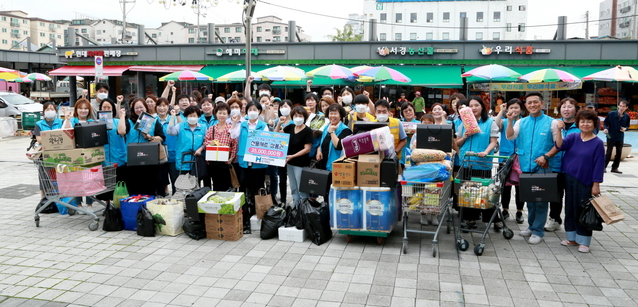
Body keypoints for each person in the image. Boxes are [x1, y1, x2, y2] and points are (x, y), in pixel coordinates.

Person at [546, 110, 605, 253]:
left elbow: (599, 165)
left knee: (582, 209)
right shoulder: (573, 137)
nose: (585, 124)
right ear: (578, 123)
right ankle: (571, 238)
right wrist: (559, 131)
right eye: (582, 121)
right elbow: (559, 146)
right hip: (569, 178)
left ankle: (584, 241)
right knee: (570, 208)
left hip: (585, 181)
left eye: (589, 121)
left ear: (594, 124)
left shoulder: (597, 143)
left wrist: (596, 184)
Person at [506, 91, 556, 245]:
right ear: (525, 106)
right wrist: (509, 120)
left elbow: (558, 145)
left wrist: (546, 156)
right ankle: (531, 226)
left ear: (542, 104)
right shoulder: (521, 122)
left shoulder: (551, 122)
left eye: (535, 102)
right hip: (524, 166)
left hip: (542, 166)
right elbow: (510, 136)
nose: (532, 105)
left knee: (541, 200)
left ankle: (538, 231)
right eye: (529, 103)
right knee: (530, 199)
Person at [455, 96, 501, 231]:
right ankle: (470, 219)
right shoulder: (462, 123)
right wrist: (464, 136)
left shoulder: (490, 123)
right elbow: (457, 143)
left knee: (484, 193)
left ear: (482, 107)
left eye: (476, 105)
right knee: (467, 192)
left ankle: (493, 219)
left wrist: (486, 152)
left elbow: (493, 141)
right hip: (466, 162)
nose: (473, 108)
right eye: (471, 106)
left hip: (482, 162)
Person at [545, 98, 581, 232]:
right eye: (563, 107)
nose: (566, 109)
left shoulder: (580, 126)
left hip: (573, 168)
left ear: (576, 110)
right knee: (555, 196)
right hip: (555, 165)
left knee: (572, 197)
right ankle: (554, 219)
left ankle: (573, 222)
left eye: (570, 107)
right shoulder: (554, 124)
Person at [117, 98, 166, 196]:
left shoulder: (153, 121)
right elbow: (121, 132)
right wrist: (122, 116)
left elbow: (161, 137)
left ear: (146, 107)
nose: (139, 110)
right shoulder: (129, 121)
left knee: (149, 188)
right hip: (133, 160)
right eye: (136, 108)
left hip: (149, 160)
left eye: (141, 107)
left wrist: (150, 137)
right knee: (133, 188)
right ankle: (135, 208)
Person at [235, 101, 269, 233]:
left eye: (255, 109)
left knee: (257, 189)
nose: (252, 111)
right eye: (250, 109)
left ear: (260, 111)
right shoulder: (242, 125)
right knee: (243, 188)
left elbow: (267, 142)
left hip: (258, 164)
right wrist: (234, 122)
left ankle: (257, 215)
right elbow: (233, 135)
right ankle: (245, 217)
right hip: (244, 162)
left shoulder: (263, 126)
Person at [494, 98, 526, 223]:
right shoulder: (503, 121)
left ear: (521, 110)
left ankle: (519, 211)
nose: (514, 110)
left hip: (520, 158)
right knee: (505, 186)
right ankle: (505, 209)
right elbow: (496, 125)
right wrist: (501, 112)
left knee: (520, 187)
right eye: (511, 107)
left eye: (516, 108)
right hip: (505, 157)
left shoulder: (524, 122)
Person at [62, 99, 96, 212]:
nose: (83, 110)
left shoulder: (91, 121)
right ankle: (79, 205)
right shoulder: (72, 120)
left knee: (89, 179)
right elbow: (66, 131)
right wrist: (67, 118)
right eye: (80, 108)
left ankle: (90, 204)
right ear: (76, 109)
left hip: (89, 154)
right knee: (76, 179)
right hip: (75, 154)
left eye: (85, 108)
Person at [276, 106, 313, 206]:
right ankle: (296, 209)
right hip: (290, 163)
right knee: (293, 188)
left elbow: (307, 149)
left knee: (302, 189)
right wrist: (279, 123)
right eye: (295, 115)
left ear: (304, 117)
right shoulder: (291, 127)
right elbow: (277, 136)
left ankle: (304, 210)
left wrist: (293, 156)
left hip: (301, 164)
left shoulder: (308, 131)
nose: (298, 117)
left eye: (300, 115)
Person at [204, 102, 239, 192]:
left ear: (228, 115)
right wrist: (210, 143)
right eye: (220, 113)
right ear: (215, 113)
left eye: (224, 113)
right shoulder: (212, 128)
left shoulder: (230, 128)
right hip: (213, 161)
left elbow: (234, 143)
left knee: (226, 185)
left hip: (225, 161)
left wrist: (232, 157)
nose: (222, 115)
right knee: (215, 184)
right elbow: (205, 142)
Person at [33, 102, 64, 197]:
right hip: (44, 153)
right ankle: (43, 196)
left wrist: (49, 139)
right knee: (43, 175)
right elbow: (39, 139)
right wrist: (54, 139)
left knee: (59, 174)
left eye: (52, 109)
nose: (50, 111)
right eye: (47, 109)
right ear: (43, 112)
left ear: (55, 111)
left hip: (59, 152)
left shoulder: (60, 122)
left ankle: (60, 193)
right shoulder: (39, 124)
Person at [316, 104, 352, 171]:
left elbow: (338, 146)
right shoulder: (326, 127)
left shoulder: (345, 130)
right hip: (323, 164)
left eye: (335, 114)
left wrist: (332, 132)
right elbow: (322, 142)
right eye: (331, 113)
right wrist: (319, 151)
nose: (332, 116)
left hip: (336, 166)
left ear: (340, 116)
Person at [156, 97, 179, 196]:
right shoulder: (153, 120)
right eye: (160, 106)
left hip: (172, 155)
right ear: (156, 107)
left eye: (164, 106)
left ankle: (176, 200)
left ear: (168, 107)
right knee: (160, 180)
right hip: (158, 156)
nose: (162, 108)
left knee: (175, 180)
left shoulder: (173, 119)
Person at [272, 100, 294, 205]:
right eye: (282, 106)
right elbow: (274, 135)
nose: (283, 108)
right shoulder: (278, 120)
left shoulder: (294, 121)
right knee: (282, 178)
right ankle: (283, 199)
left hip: (292, 153)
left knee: (293, 178)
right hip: (280, 153)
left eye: (286, 106)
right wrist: (279, 124)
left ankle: (296, 199)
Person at [603, 100, 630, 174]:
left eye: (623, 106)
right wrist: (605, 128)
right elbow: (605, 123)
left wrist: (625, 129)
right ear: (618, 106)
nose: (621, 108)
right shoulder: (611, 114)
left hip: (620, 137)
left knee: (619, 153)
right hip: (611, 136)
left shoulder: (627, 116)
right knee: (609, 152)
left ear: (626, 108)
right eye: (620, 106)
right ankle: (603, 167)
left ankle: (615, 168)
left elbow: (628, 126)